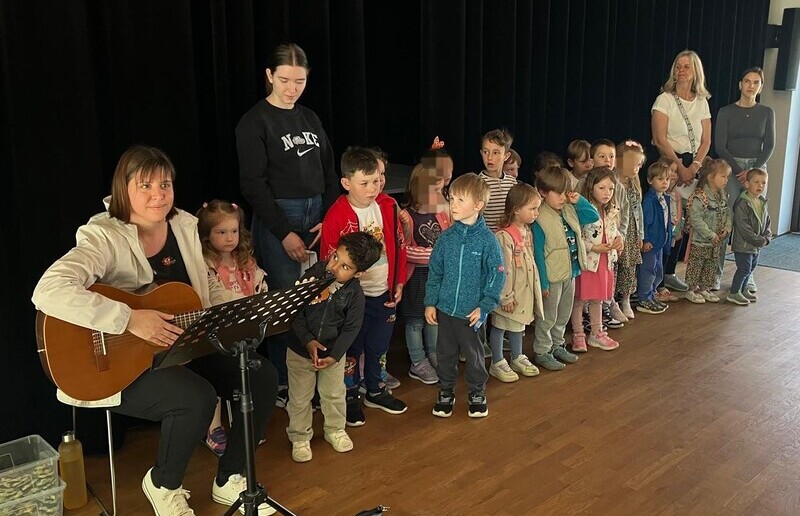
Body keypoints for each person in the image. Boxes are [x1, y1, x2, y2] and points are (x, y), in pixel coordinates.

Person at [32, 145, 278, 516]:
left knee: (261, 376)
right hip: (116, 363)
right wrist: (128, 319)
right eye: (145, 185)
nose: (158, 194)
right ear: (123, 189)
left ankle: (230, 478)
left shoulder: (184, 225)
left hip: (181, 344)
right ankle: (163, 484)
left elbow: (198, 294)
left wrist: (240, 308)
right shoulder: (102, 235)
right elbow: (48, 290)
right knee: (195, 397)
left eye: (165, 184)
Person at [236, 43, 340, 409]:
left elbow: (329, 171)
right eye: (284, 80)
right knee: (284, 302)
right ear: (269, 76)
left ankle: (312, 375)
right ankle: (283, 382)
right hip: (279, 216)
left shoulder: (310, 118)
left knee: (315, 297)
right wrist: (284, 233)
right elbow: (253, 186)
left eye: (300, 81)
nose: (292, 88)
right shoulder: (254, 122)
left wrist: (327, 216)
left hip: (316, 214)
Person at [320, 147, 407, 426]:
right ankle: (350, 395)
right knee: (352, 349)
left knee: (378, 345)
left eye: (377, 181)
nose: (373, 188)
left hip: (384, 292)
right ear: (347, 183)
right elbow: (328, 260)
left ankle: (375, 389)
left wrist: (399, 281)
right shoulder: (337, 214)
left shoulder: (389, 206)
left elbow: (400, 245)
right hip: (353, 300)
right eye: (365, 183)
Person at [286, 232, 382, 462]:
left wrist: (336, 354)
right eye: (335, 257)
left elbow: (351, 328)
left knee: (334, 394)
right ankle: (299, 437)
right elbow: (295, 311)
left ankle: (335, 429)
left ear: (359, 273)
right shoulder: (314, 275)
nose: (334, 266)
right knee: (300, 397)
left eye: (345, 267)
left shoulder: (354, 294)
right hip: (300, 352)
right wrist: (308, 340)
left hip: (332, 356)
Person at [425, 173, 504, 418]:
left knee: (475, 354)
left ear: (478, 205)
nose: (453, 205)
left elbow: (497, 275)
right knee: (445, 354)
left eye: (461, 200)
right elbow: (435, 272)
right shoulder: (446, 239)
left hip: (472, 313)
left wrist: (485, 306)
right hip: (446, 311)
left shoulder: (488, 241)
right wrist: (430, 302)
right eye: (452, 199)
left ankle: (477, 391)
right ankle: (446, 390)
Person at [197, 199, 269, 456]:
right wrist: (248, 305)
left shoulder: (245, 260)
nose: (230, 238)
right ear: (207, 235)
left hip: (244, 332)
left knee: (249, 377)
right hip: (216, 335)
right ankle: (213, 427)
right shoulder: (205, 264)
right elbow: (214, 299)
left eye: (234, 231)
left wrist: (261, 294)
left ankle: (244, 428)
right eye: (221, 232)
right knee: (217, 380)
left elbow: (259, 282)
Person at [651, 49, 712, 292]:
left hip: (694, 165)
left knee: (684, 220)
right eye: (678, 66)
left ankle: (671, 271)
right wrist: (680, 168)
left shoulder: (702, 101)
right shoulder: (664, 99)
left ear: (696, 71)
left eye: (687, 66)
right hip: (670, 164)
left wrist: (695, 166)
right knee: (669, 218)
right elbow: (660, 138)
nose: (682, 70)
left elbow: (706, 140)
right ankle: (656, 276)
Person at [714, 67, 775, 293]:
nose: (751, 86)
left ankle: (747, 275)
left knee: (755, 220)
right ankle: (716, 274)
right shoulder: (726, 111)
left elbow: (769, 145)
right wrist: (740, 171)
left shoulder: (767, 112)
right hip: (730, 168)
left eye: (756, 82)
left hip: (758, 168)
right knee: (726, 219)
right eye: (747, 81)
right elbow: (720, 145)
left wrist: (753, 172)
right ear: (740, 84)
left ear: (761, 87)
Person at [532, 166, 599, 370]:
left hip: (570, 272)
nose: (563, 198)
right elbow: (538, 256)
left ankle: (557, 344)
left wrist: (579, 200)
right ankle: (543, 350)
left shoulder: (570, 209)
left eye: (565, 193)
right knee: (548, 316)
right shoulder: (539, 218)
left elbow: (593, 216)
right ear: (543, 192)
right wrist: (543, 283)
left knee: (563, 314)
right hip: (552, 277)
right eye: (558, 193)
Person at [398, 163, 450, 384]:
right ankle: (418, 361)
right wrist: (435, 255)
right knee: (415, 321)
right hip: (417, 278)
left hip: (436, 276)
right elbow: (405, 250)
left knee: (433, 318)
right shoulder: (407, 217)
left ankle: (433, 354)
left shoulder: (440, 214)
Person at [488, 183, 543, 382]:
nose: (537, 212)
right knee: (500, 325)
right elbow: (503, 269)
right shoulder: (504, 236)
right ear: (516, 209)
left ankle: (517, 356)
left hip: (522, 291)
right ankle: (497, 361)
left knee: (518, 325)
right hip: (509, 293)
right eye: (532, 208)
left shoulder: (526, 231)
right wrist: (505, 296)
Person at [569, 167, 621, 352]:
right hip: (588, 263)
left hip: (604, 262)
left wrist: (619, 239)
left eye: (611, 189)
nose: (607, 193)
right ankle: (578, 334)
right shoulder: (584, 210)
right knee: (580, 299)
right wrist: (593, 247)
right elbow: (577, 237)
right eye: (602, 188)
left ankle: (597, 333)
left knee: (598, 299)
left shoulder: (611, 210)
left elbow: (614, 230)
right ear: (591, 187)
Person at [684, 159, 732, 304]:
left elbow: (727, 213)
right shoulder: (701, 196)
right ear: (711, 177)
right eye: (723, 176)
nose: (726, 180)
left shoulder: (722, 195)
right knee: (696, 264)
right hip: (701, 240)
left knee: (711, 264)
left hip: (716, 241)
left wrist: (727, 228)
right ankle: (691, 289)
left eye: (727, 177)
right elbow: (696, 219)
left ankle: (704, 288)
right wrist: (710, 234)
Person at [727, 169, 771, 305]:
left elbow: (767, 221)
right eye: (756, 182)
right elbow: (743, 227)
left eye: (763, 183)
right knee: (744, 268)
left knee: (751, 268)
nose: (760, 186)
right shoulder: (743, 203)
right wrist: (758, 240)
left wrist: (767, 236)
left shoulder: (762, 202)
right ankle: (734, 292)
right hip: (744, 245)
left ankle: (744, 288)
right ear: (747, 184)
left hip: (756, 245)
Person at [636, 161, 674, 314]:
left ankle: (651, 295)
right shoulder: (649, 200)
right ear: (650, 180)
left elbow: (667, 221)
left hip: (660, 242)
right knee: (648, 270)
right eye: (660, 179)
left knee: (658, 270)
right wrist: (646, 240)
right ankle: (644, 298)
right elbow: (645, 221)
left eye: (667, 179)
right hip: (651, 243)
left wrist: (669, 237)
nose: (664, 182)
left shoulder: (665, 198)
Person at [615, 141, 646, 320]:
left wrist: (640, 234)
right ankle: (610, 300)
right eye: (633, 164)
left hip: (632, 231)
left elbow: (638, 211)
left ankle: (625, 299)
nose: (636, 169)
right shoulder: (611, 183)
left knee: (629, 267)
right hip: (617, 230)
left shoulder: (634, 185)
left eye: (639, 165)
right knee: (614, 267)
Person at [478, 128, 518, 232]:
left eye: (496, 153)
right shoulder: (477, 183)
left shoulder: (512, 182)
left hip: (508, 239)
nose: (490, 157)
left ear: (506, 156)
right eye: (486, 152)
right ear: (481, 153)